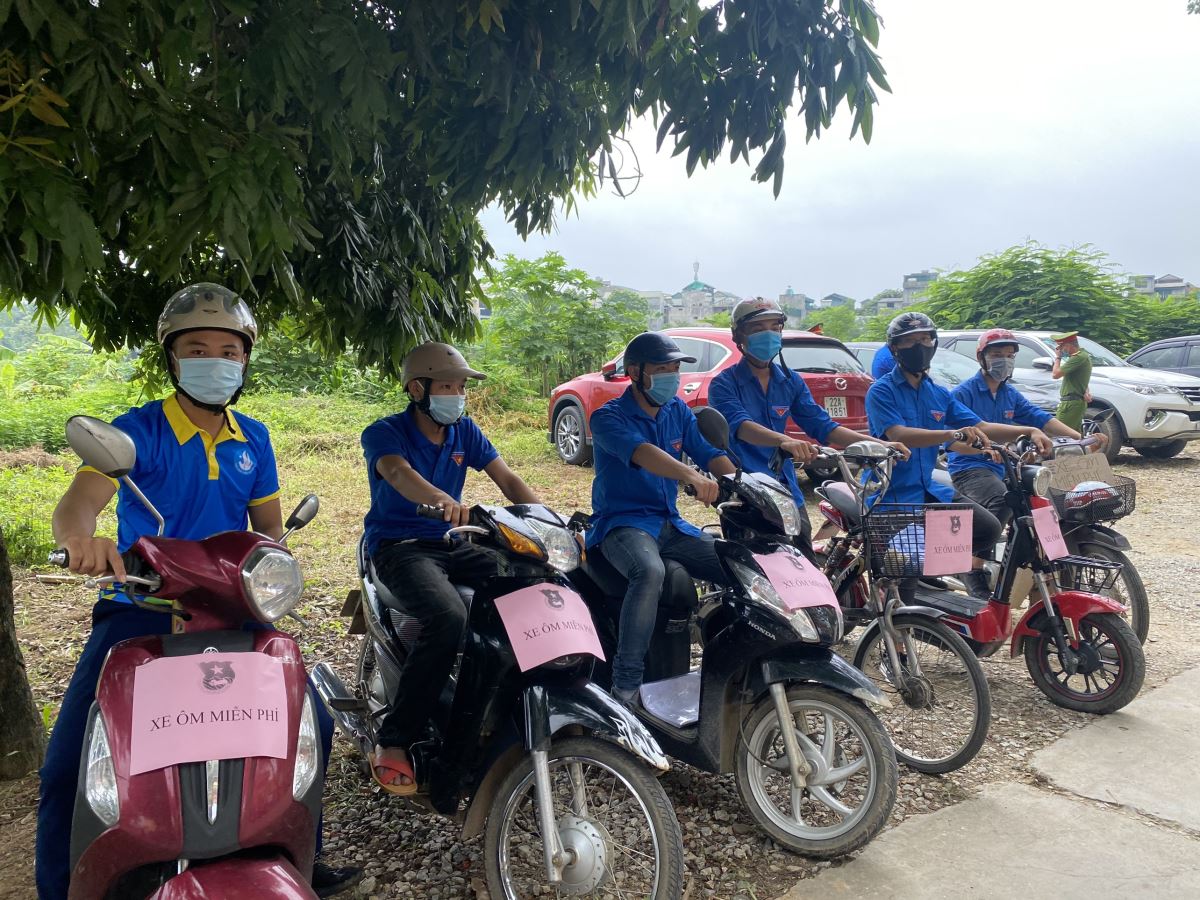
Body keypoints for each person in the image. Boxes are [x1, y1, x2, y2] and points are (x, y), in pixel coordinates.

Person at [37, 284, 359, 899]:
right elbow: (79, 503)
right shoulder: (138, 432)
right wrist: (81, 539)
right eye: (197, 349)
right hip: (141, 605)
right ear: (173, 359)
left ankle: (303, 855)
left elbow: (268, 531)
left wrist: (276, 560)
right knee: (70, 761)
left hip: (230, 605)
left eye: (229, 351)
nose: (215, 361)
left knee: (308, 722)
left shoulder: (253, 438)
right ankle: (61, 886)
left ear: (245, 360)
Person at [361, 342, 541, 793]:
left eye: (461, 387)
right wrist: (443, 500)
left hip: (453, 542)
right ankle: (395, 738)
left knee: (534, 582)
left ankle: (511, 703)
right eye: (447, 387)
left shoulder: (465, 432)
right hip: (401, 547)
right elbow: (397, 473)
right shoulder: (385, 432)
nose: (457, 396)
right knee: (448, 616)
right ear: (417, 389)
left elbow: (508, 478)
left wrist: (547, 521)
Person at [588, 332, 736, 704]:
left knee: (738, 564)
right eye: (662, 369)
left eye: (674, 368)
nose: (672, 376)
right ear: (635, 372)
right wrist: (690, 476)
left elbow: (707, 452)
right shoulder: (607, 417)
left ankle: (738, 666)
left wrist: (740, 483)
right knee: (649, 571)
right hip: (622, 524)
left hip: (670, 523)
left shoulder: (677, 411)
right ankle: (625, 686)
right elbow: (642, 453)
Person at [865, 313, 1054, 599]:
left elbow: (981, 426)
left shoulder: (938, 393)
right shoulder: (881, 391)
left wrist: (1029, 430)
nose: (919, 346)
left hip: (928, 490)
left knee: (988, 528)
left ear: (934, 344)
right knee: (903, 591)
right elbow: (898, 434)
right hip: (892, 496)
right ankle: (909, 590)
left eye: (925, 339)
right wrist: (949, 434)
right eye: (909, 341)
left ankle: (935, 569)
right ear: (894, 349)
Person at [709, 298, 909, 551]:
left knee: (804, 561)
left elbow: (823, 426)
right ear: (738, 335)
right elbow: (741, 426)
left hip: (786, 489)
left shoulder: (790, 381)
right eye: (758, 328)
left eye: (774, 327)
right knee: (757, 563)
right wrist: (785, 440)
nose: (768, 334)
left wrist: (879, 444)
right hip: (746, 490)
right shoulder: (723, 384)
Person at [949, 329, 1108, 528]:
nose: (1004, 360)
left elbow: (1040, 418)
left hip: (1007, 465)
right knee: (1004, 501)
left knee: (1043, 496)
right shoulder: (962, 394)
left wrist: (1080, 438)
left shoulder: (1009, 393)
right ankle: (979, 549)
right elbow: (951, 442)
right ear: (981, 357)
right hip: (970, 468)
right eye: (997, 355)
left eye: (1010, 356)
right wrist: (982, 450)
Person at [1051, 331, 1093, 432]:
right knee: (1074, 436)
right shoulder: (1082, 356)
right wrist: (1086, 390)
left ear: (1068, 346)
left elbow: (1055, 374)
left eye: (1061, 347)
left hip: (1071, 404)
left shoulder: (1078, 357)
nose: (1060, 350)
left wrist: (1058, 357)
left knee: (1058, 433)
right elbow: (1081, 377)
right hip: (1074, 402)